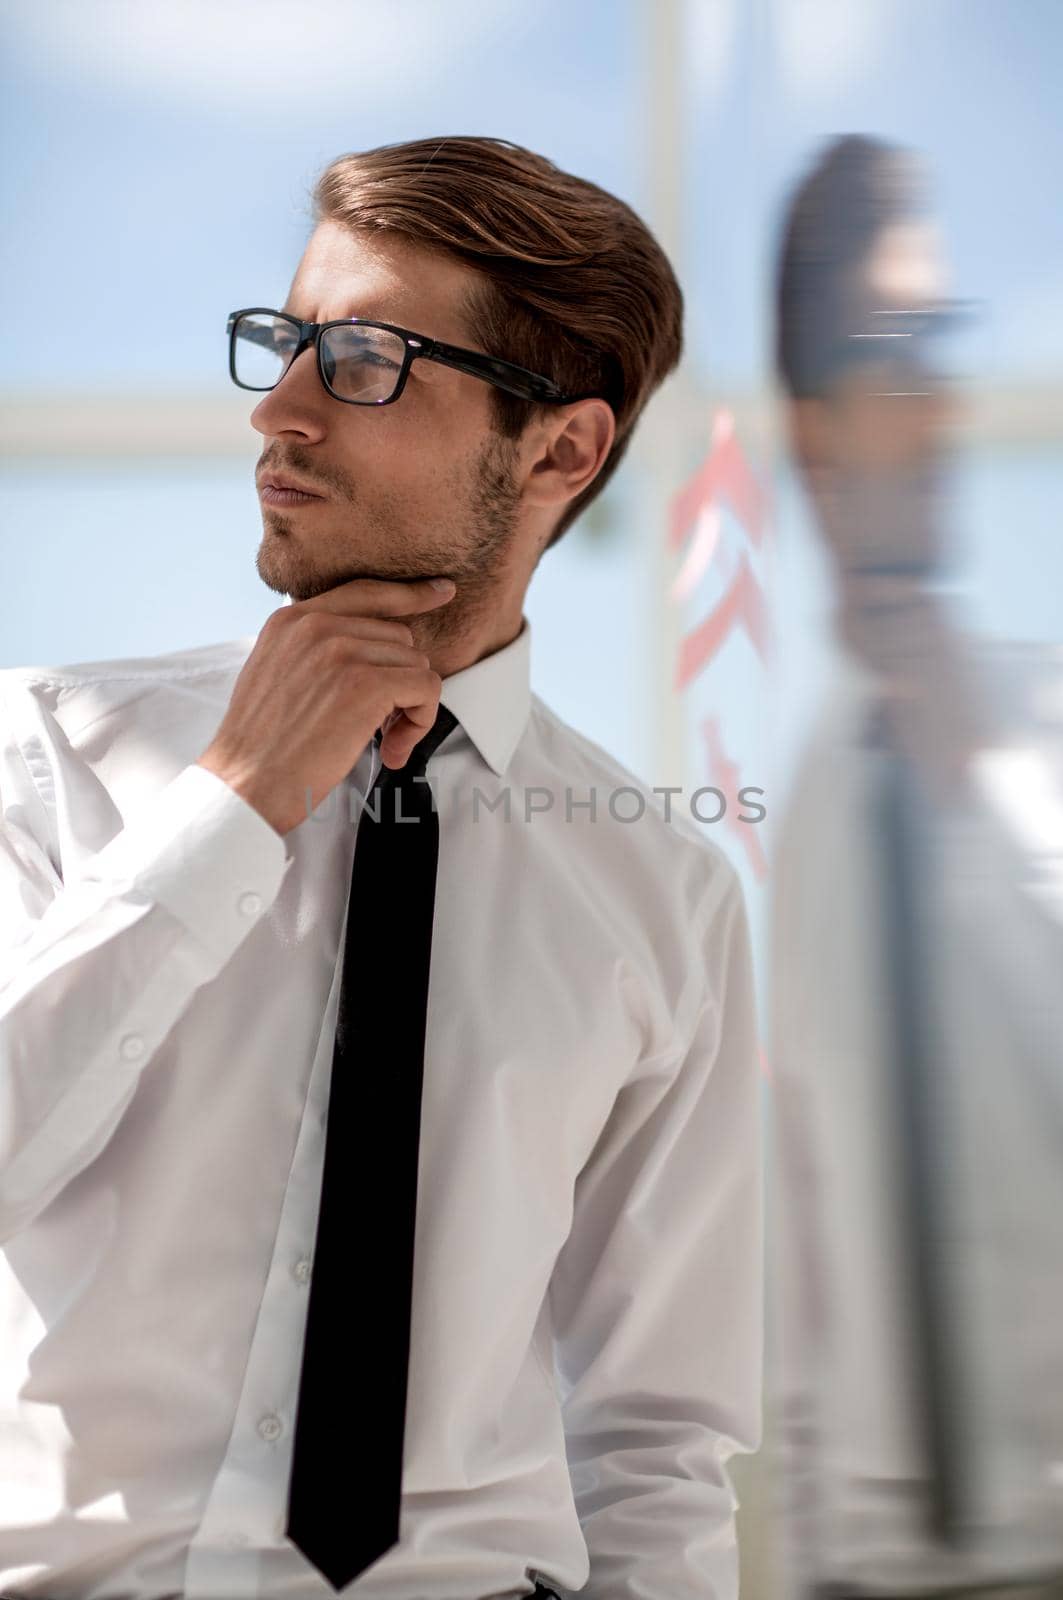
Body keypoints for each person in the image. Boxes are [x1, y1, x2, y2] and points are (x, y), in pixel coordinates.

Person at [0, 135, 762, 1600]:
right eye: (284, 346)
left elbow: (659, 1443)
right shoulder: (44, 753)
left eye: (362, 361)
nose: (277, 412)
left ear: (560, 448)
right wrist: (234, 803)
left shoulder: (664, 898)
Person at [766, 133, 1063, 1600]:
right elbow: (811, 1247)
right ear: (814, 429)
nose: (941, 396)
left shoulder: (1048, 735)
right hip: (876, 1572)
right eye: (900, 345)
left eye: (947, 338)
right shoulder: (811, 803)